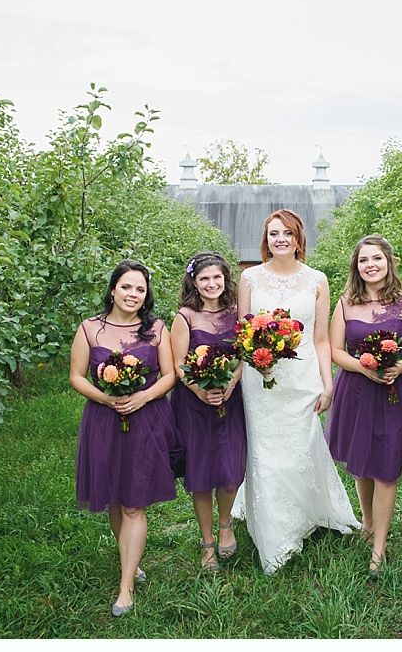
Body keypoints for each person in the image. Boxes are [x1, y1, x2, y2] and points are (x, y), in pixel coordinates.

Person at [231, 209, 360, 574]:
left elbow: (320, 339)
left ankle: (307, 511)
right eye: (274, 234)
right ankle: (275, 534)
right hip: (261, 378)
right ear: (266, 240)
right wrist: (257, 361)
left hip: (302, 378)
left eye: (287, 233)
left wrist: (328, 381)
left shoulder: (317, 280)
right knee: (266, 453)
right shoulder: (250, 279)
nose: (281, 239)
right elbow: (244, 332)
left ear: (298, 238)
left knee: (300, 447)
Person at [70, 260, 177, 616]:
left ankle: (126, 586)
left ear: (146, 296)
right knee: (115, 500)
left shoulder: (156, 329)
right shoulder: (90, 329)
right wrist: (106, 397)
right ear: (113, 289)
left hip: (146, 420)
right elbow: (77, 376)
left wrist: (143, 396)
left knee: (134, 502)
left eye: (140, 290)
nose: (133, 295)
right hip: (103, 419)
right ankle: (129, 558)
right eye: (126, 287)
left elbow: (170, 375)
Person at [325, 235, 402, 577]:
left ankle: (379, 546)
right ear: (356, 267)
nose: (371, 265)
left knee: (386, 467)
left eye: (377, 259)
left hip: (395, 391)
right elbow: (335, 350)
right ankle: (367, 521)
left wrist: (400, 366)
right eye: (364, 260)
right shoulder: (345, 304)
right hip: (357, 390)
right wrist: (363, 368)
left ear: (389, 262)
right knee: (362, 462)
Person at [170, 252, 246, 573]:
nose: (212, 284)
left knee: (231, 469)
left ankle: (225, 523)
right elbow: (177, 364)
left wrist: (230, 384)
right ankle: (206, 543)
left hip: (231, 399)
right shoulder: (185, 317)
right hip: (193, 404)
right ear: (194, 283)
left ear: (225, 279)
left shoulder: (236, 313)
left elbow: (243, 356)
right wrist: (201, 390)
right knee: (200, 474)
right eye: (204, 279)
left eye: (217, 278)